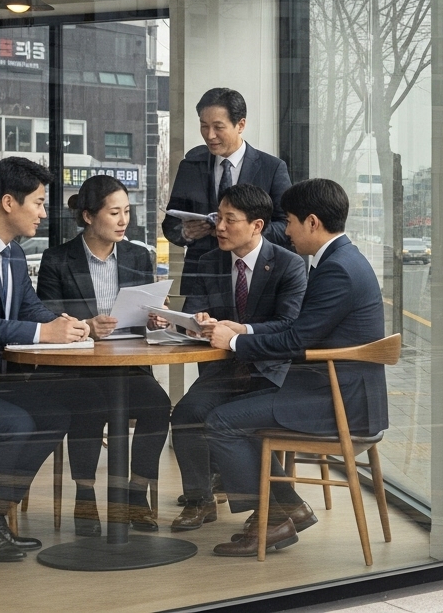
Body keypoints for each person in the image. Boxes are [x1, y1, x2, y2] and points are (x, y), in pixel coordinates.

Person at [204, 179, 386, 557]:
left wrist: (234, 342)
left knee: (221, 420)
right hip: (336, 391)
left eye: (289, 221)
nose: (285, 230)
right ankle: (287, 510)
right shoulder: (344, 259)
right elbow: (300, 328)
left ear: (313, 222)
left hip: (338, 402)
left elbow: (295, 341)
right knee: (243, 414)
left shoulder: (336, 270)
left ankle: (273, 520)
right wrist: (245, 329)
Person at [0, 157, 89, 561]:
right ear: (9, 202)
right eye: (40, 203)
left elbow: (29, 308)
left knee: (55, 414)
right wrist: (46, 333)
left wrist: (71, 326)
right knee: (15, 423)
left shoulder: (11, 253)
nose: (44, 213)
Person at [36, 174, 171, 536]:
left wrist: (156, 317)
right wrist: (86, 326)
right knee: (89, 405)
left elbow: (148, 320)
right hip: (80, 369)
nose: (123, 220)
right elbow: (46, 317)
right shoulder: (58, 260)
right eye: (114, 212)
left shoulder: (138, 255)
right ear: (88, 217)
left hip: (128, 366)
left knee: (159, 407)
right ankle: (84, 495)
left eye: (127, 211)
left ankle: (136, 495)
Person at [167, 183, 307, 532]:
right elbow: (194, 310)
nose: (220, 228)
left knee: (229, 419)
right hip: (225, 369)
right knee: (185, 414)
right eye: (219, 218)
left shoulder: (289, 265)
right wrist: (195, 321)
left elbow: (288, 326)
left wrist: (240, 331)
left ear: (257, 225)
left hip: (269, 370)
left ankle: (272, 511)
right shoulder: (207, 260)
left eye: (231, 220)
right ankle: (200, 500)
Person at [162, 88, 291, 297]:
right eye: (204, 126)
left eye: (218, 127)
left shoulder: (271, 168)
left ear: (240, 124)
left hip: (253, 277)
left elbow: (286, 226)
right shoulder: (191, 165)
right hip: (201, 278)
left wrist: (244, 232)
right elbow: (170, 225)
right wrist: (185, 233)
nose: (210, 135)